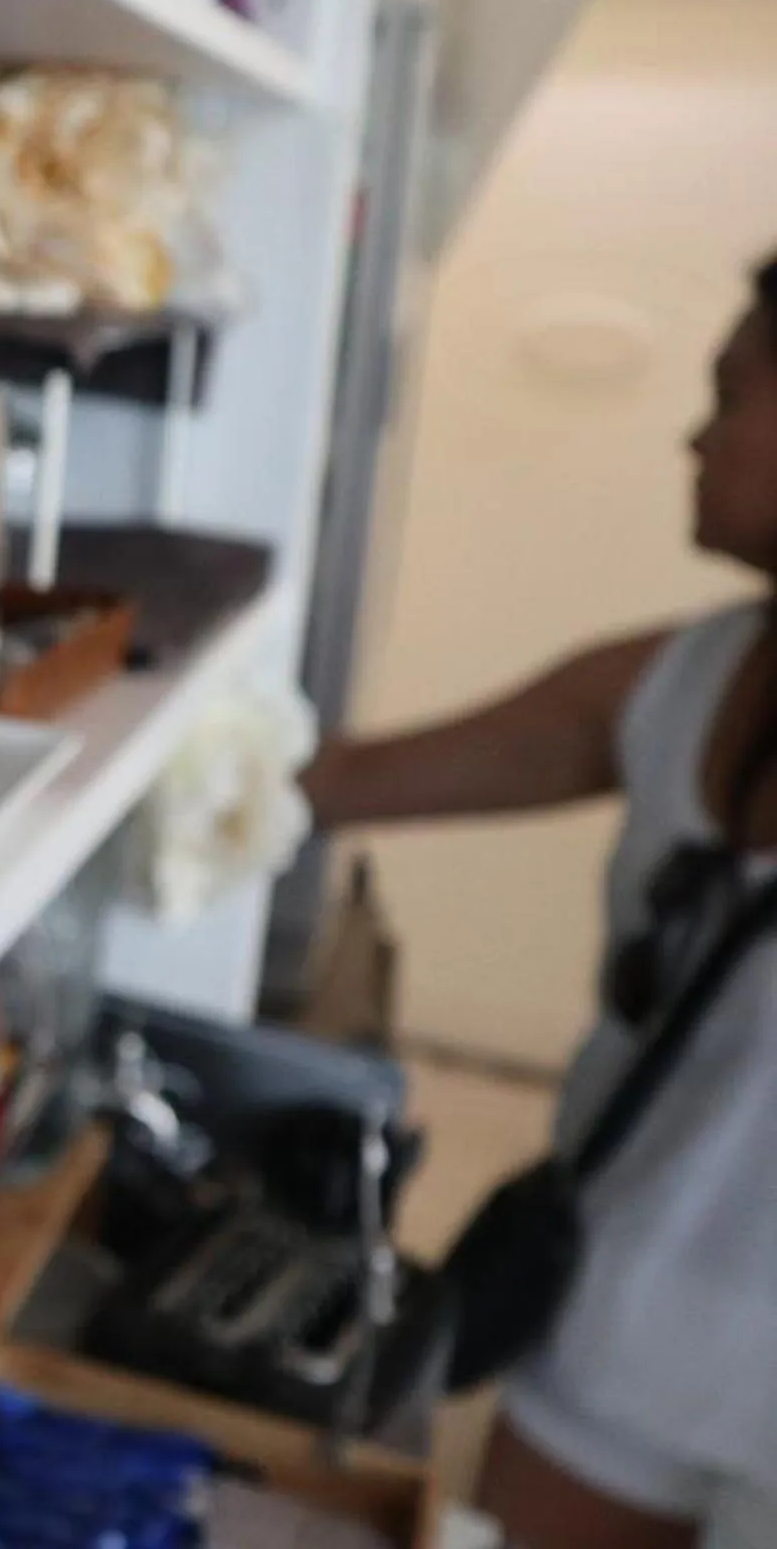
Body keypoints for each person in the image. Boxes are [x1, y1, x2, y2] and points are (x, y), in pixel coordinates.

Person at [300, 259, 777, 1549]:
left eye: (732, 396)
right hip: (614, 1328)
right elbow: (338, 784)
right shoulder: (683, 681)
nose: (695, 436)